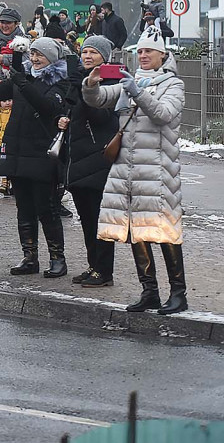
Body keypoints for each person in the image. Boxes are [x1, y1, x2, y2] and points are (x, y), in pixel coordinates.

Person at [82, 26, 187, 314]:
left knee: (165, 232)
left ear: (162, 55)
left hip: (157, 171)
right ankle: (149, 291)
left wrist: (138, 93)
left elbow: (163, 115)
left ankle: (178, 293)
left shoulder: (173, 84)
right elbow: (98, 98)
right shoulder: (132, 79)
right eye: (139, 51)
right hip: (126, 171)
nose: (142, 55)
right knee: (135, 231)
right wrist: (90, 85)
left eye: (148, 51)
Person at [0, 37, 70, 278]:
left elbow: (47, 107)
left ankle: (58, 258)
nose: (34, 59)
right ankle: (29, 257)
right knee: (23, 208)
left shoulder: (60, 83)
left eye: (40, 55)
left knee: (47, 209)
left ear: (52, 59)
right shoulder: (21, 78)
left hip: (42, 152)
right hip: (17, 149)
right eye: (32, 54)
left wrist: (22, 82)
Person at [57, 35, 118, 288]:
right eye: (85, 52)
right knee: (87, 218)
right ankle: (94, 265)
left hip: (100, 159)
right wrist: (63, 119)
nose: (87, 56)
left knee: (100, 219)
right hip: (79, 159)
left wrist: (86, 91)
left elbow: (104, 119)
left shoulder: (112, 82)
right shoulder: (80, 80)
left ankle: (104, 271)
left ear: (105, 56)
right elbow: (76, 113)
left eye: (94, 52)